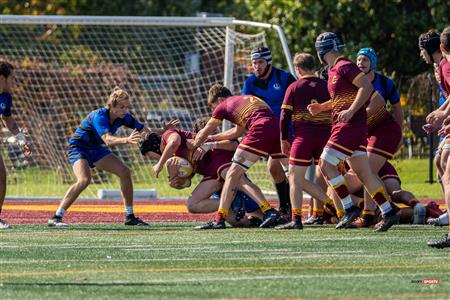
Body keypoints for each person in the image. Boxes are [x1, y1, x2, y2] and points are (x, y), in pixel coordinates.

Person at [311, 32, 399, 232]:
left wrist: (351, 112)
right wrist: (322, 108)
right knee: (364, 173)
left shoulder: (344, 66)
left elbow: (366, 86)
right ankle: (388, 211)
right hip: (355, 127)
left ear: (320, 51)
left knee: (325, 163)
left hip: (349, 126)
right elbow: (343, 98)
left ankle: (349, 210)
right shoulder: (334, 70)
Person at [47, 87, 173, 227]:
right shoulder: (99, 116)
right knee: (84, 179)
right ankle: (56, 217)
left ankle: (129, 216)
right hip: (79, 147)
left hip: (96, 149)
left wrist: (164, 131)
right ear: (112, 106)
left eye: (127, 106)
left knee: (124, 171)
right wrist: (126, 140)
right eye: (121, 107)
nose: (125, 110)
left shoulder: (124, 117)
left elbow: (144, 131)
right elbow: (107, 139)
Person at [191, 84, 285, 229]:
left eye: (213, 106)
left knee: (232, 174)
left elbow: (205, 130)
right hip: (275, 126)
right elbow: (236, 132)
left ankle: (221, 219)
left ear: (220, 99)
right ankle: (316, 209)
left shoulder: (223, 106)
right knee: (295, 173)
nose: (213, 110)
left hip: (260, 128)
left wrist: (195, 144)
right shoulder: (242, 101)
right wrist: (213, 139)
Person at [149, 120, 270, 228]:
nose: (152, 157)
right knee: (193, 205)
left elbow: (173, 142)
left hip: (220, 160)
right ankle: (239, 211)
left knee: (240, 184)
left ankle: (269, 211)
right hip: (212, 175)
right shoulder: (175, 161)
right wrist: (177, 182)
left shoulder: (168, 136)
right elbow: (188, 181)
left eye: (150, 154)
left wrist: (160, 164)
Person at [275, 53, 332, 229]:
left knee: (294, 178)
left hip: (303, 138)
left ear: (297, 69)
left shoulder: (294, 87)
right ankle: (343, 209)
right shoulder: (327, 85)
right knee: (332, 177)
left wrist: (283, 139)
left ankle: (296, 219)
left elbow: (284, 116)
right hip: (326, 137)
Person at [241, 47, 296, 214]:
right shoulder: (250, 83)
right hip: (267, 134)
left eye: (260, 62)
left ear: (268, 62)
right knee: (274, 169)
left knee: (293, 172)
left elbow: (298, 101)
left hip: (288, 132)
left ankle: (304, 209)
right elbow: (245, 109)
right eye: (254, 62)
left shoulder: (285, 78)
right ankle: (286, 208)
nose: (257, 66)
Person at [426, 26, 450, 248]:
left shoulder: (445, 65)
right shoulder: (442, 66)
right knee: (440, 162)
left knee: (448, 173)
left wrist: (444, 115)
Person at [0, 62, 32, 229]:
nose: (15, 80)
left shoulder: (5, 97)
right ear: (2, 78)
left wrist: (21, 140)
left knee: (1, 177)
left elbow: (8, 121)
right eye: (12, 77)